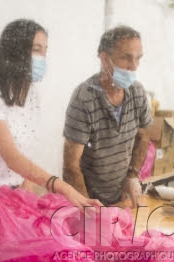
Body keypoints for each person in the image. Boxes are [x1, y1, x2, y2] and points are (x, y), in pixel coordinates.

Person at [0, 19, 101, 210]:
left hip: (10, 192)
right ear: (15, 52)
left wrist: (25, 180)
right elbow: (12, 157)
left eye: (45, 51)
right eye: (36, 50)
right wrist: (63, 187)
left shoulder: (30, 95)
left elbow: (24, 149)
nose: (42, 58)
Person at [62, 25, 152, 208]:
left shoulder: (137, 93)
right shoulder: (85, 98)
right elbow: (71, 165)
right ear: (105, 59)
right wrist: (88, 206)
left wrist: (132, 176)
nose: (134, 66)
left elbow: (143, 136)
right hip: (85, 196)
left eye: (138, 58)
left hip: (118, 195)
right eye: (126, 57)